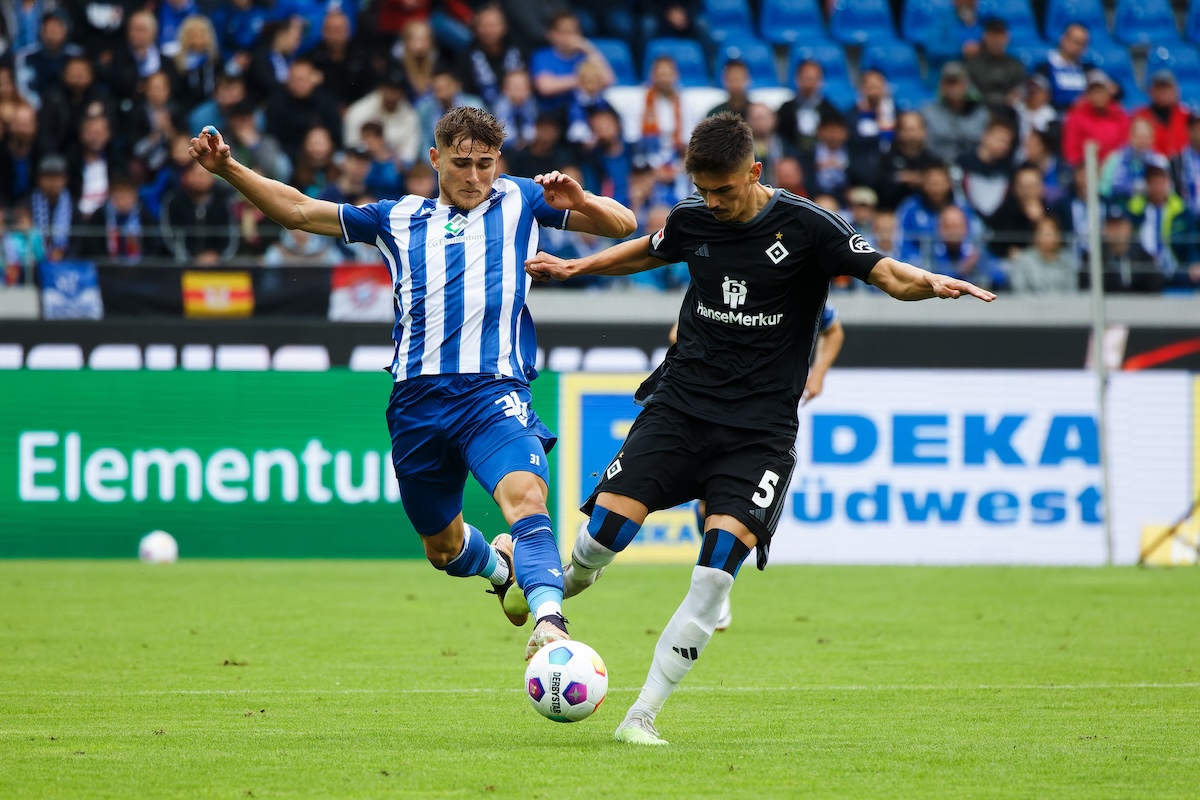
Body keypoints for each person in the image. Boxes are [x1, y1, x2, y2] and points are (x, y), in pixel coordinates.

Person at [523, 112, 994, 745]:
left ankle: (641, 716)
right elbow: (649, 250)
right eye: (703, 191)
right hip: (681, 409)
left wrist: (929, 284)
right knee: (602, 537)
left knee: (716, 573)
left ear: (755, 171)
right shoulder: (694, 219)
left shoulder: (808, 227)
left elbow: (884, 272)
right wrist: (577, 269)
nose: (712, 204)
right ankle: (555, 594)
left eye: (725, 190)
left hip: (758, 434)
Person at [188, 106, 637, 659]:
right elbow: (301, 212)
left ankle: (551, 623)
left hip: (494, 390)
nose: (475, 177)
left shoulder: (522, 198)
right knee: (443, 549)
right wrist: (229, 169)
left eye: (486, 164)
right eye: (462, 163)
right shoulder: (396, 217)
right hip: (417, 403)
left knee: (526, 498)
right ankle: (501, 571)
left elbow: (624, 226)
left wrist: (584, 201)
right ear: (435, 159)